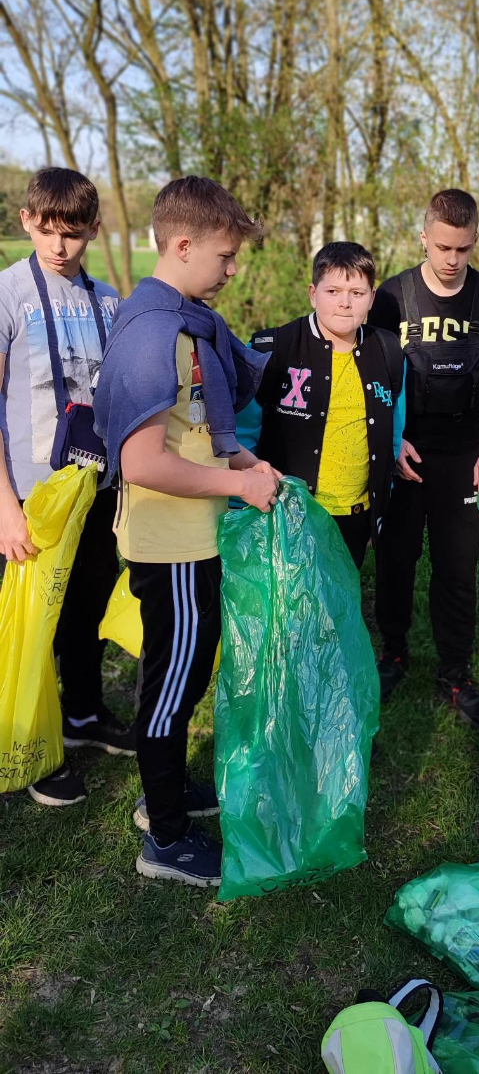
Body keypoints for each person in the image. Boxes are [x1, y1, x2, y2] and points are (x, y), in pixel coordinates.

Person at [93, 176, 279, 887]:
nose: (233, 270)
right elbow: (142, 460)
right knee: (172, 684)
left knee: (182, 673)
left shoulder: (184, 321)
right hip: (173, 545)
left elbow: (191, 425)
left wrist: (243, 458)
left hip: (194, 535)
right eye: (226, 256)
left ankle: (161, 794)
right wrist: (237, 485)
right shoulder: (154, 335)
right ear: (182, 245)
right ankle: (164, 840)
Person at [369, 189, 479, 728]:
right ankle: (392, 654)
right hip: (403, 451)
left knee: (457, 569)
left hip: (464, 453)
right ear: (423, 237)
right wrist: (391, 441)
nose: (451, 259)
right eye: (442, 246)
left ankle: (455, 672)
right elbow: (367, 375)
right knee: (394, 560)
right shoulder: (392, 296)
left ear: (474, 242)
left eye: (462, 249)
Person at [0, 167, 134, 808]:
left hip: (95, 487)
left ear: (93, 231)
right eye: (47, 231)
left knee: (85, 606)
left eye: (73, 234)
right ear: (26, 220)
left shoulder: (109, 301)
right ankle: (31, 742)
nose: (59, 247)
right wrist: (5, 508)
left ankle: (82, 714)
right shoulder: (7, 296)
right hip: (29, 495)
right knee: (33, 620)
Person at [237, 241, 405, 571]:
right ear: (313, 293)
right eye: (333, 291)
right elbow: (240, 436)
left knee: (337, 609)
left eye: (357, 293)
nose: (345, 303)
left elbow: (393, 433)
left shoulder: (388, 352)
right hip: (286, 514)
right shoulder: (272, 349)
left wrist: (380, 506)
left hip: (356, 517)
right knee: (289, 613)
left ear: (371, 298)